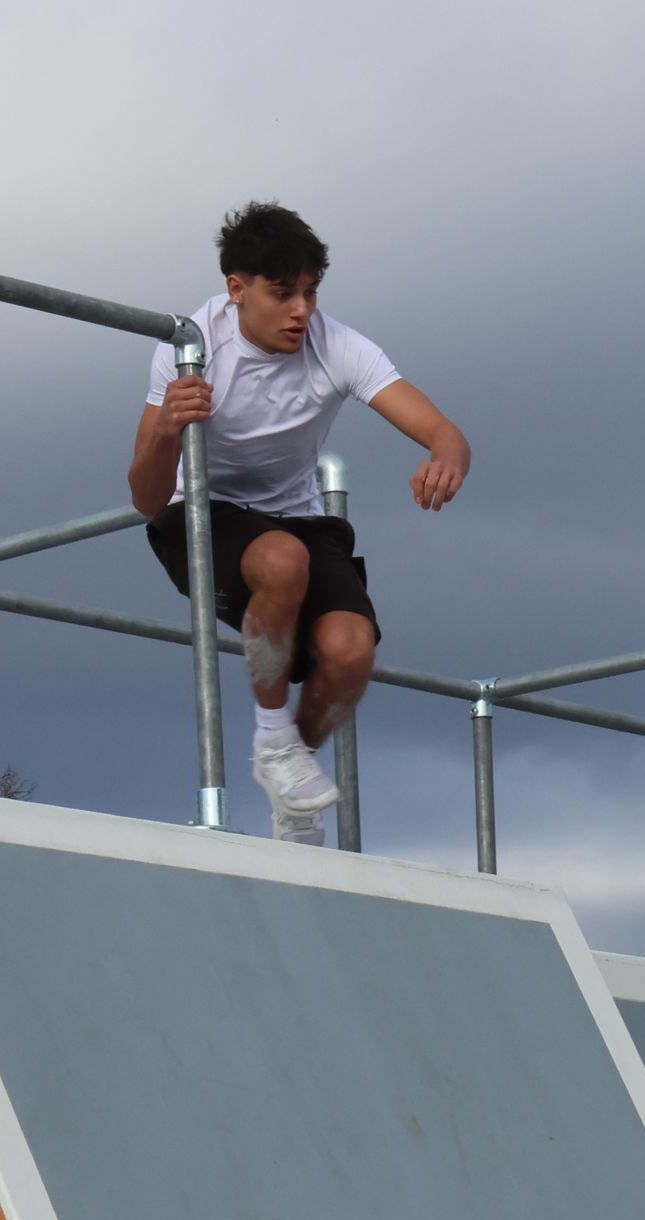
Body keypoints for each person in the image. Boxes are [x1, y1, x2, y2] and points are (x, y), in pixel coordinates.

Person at [130, 202, 471, 845]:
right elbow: (145, 498)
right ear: (237, 290)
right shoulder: (189, 347)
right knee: (282, 558)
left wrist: (446, 458)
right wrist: (169, 431)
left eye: (311, 293)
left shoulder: (338, 346)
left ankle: (293, 784)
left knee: (350, 654)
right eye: (283, 294)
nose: (301, 312)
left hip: (295, 514)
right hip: (197, 511)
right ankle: (270, 734)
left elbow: (442, 430)